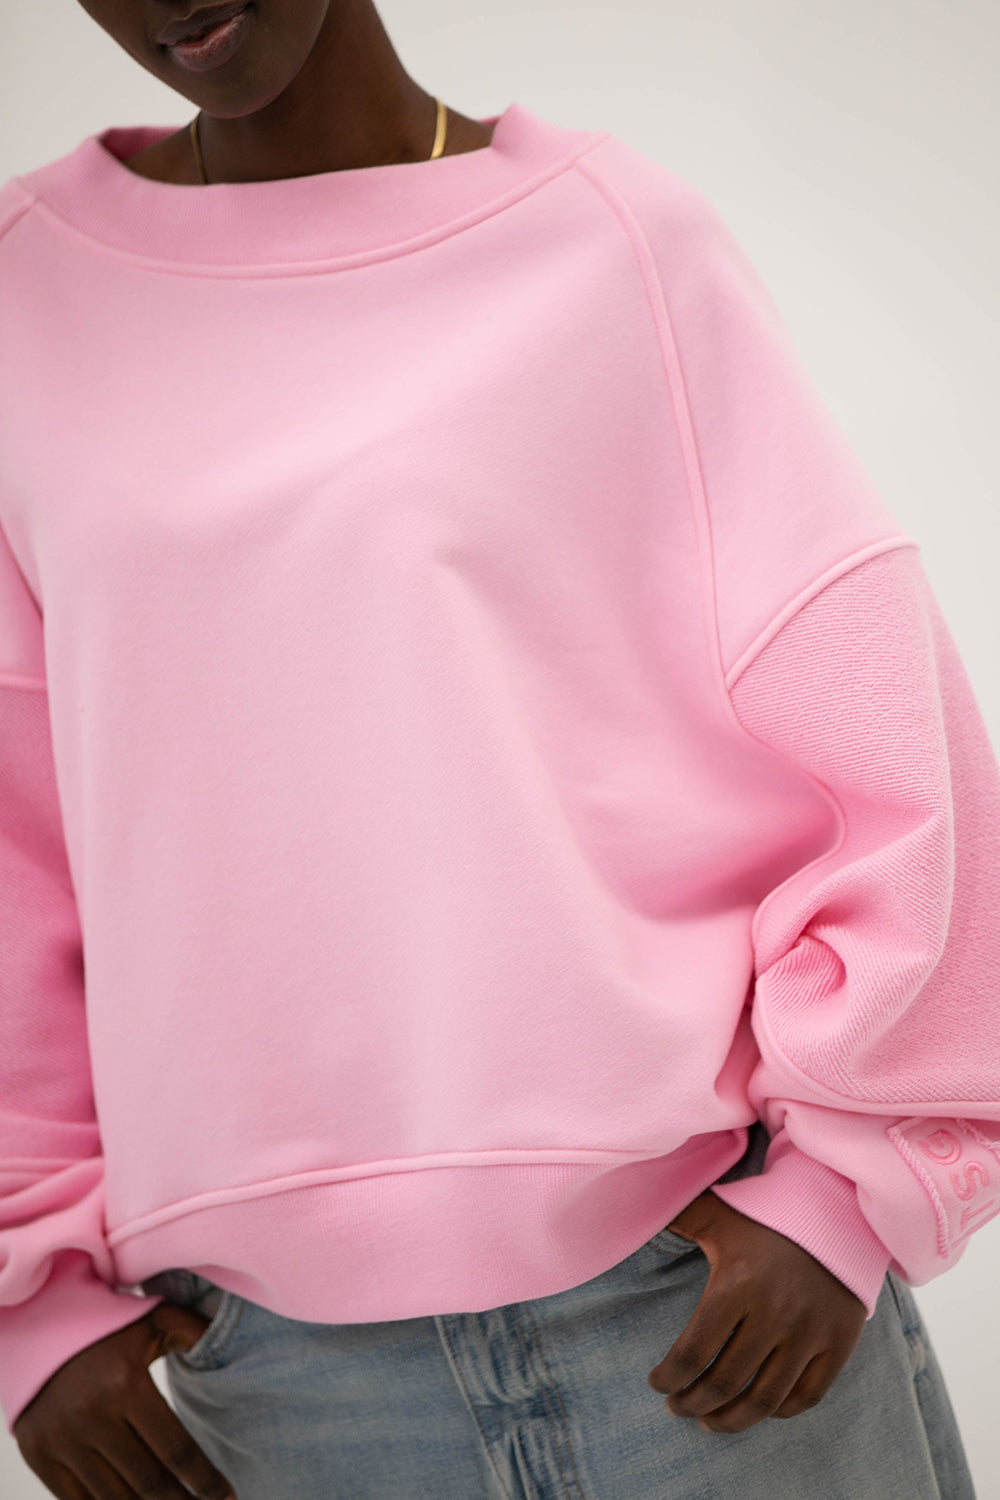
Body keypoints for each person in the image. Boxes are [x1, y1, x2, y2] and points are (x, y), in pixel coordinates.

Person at [0, 1, 995, 1496]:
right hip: (277, 1383)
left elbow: (876, 722)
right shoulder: (26, 295)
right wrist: (32, 1303)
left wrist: (848, 1192)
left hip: (698, 1312)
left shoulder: (618, 244)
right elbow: (12, 838)